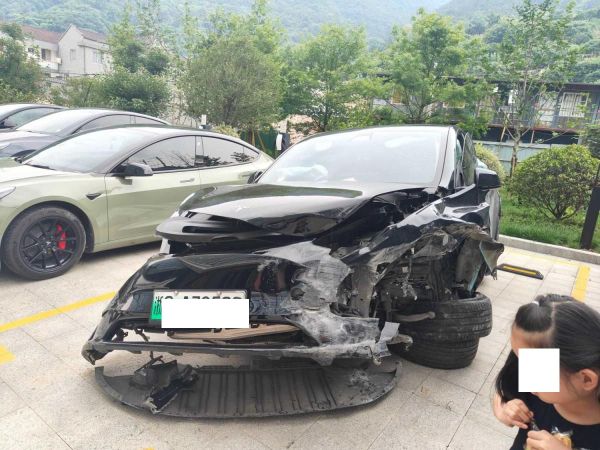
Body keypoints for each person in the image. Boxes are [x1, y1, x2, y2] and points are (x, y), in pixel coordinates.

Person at [492, 294, 600, 450]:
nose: (523, 374)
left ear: (586, 379)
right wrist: (505, 409)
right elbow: (504, 393)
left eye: (534, 367)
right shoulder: (536, 395)